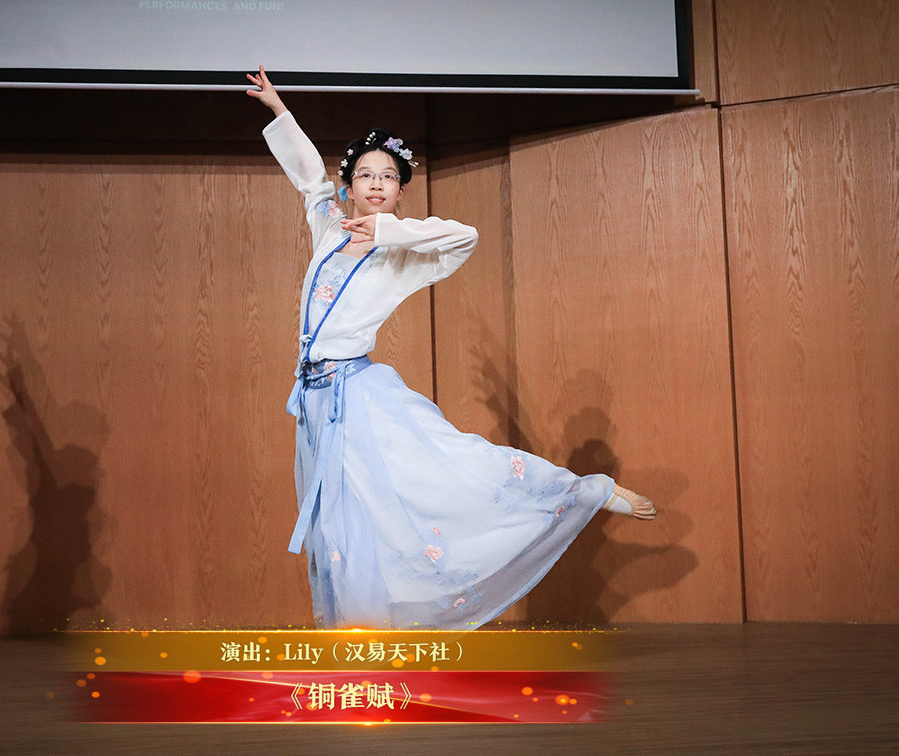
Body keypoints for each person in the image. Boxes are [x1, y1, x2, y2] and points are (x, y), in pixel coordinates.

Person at [246, 66, 655, 629]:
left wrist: (390, 231)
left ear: (400, 191)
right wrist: (279, 110)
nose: (375, 184)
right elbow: (309, 179)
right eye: (364, 175)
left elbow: (466, 237)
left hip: (358, 392)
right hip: (316, 401)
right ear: (349, 185)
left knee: (455, 463)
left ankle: (584, 493)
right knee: (343, 522)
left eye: (387, 177)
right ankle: (358, 634)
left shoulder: (401, 250)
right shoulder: (330, 227)